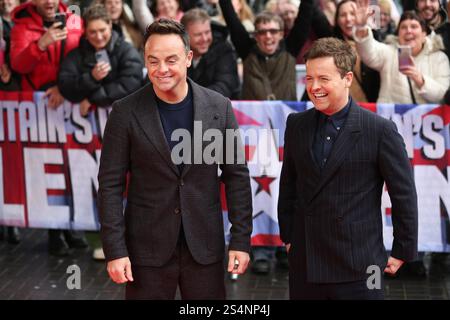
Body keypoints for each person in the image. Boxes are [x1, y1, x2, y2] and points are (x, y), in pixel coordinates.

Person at [97, 19, 253, 299]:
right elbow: (110, 185)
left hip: (204, 248)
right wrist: (115, 250)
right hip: (146, 250)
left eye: (171, 59)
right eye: (153, 60)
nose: (162, 69)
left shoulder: (219, 107)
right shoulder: (124, 112)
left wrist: (241, 241)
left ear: (189, 58)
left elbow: (236, 177)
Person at [278, 37, 418, 299]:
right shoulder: (296, 124)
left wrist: (402, 250)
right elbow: (288, 185)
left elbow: (403, 194)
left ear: (347, 78)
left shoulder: (379, 130)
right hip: (306, 261)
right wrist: (289, 237)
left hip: (364, 265)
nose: (314, 87)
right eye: (309, 79)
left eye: (323, 79)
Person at [10, 0, 89, 256]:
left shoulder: (76, 21)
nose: (48, 2)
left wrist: (67, 89)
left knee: (73, 167)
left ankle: (71, 227)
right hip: (39, 110)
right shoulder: (21, 27)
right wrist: (40, 44)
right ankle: (54, 231)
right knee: (49, 170)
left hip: (70, 103)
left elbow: (84, 59)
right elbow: (18, 65)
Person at [219, 0, 313, 100]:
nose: (268, 36)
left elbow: (305, 15)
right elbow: (230, 17)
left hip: (286, 114)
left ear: (281, 34)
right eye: (262, 32)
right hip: (252, 115)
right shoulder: (247, 50)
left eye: (273, 31)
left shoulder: (290, 49)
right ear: (255, 36)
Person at [58, 4, 144, 114]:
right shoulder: (75, 55)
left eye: (102, 30)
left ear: (110, 25)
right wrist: (91, 78)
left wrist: (93, 99)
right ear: (85, 31)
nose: (98, 37)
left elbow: (131, 84)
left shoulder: (126, 50)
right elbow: (65, 85)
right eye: (92, 32)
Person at [353, 6, 450, 104]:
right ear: (398, 34)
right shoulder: (389, 52)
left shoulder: (439, 58)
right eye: (403, 27)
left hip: (428, 118)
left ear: (424, 34)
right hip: (391, 118)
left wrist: (419, 79)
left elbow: (442, 96)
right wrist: (361, 28)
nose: (408, 31)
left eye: (414, 26)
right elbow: (368, 52)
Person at [181, 8, 240, 98]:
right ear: (185, 36)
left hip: (220, 108)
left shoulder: (223, 49)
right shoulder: (179, 52)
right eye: (198, 35)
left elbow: (224, 87)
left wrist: (189, 97)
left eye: (207, 32)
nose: (204, 39)